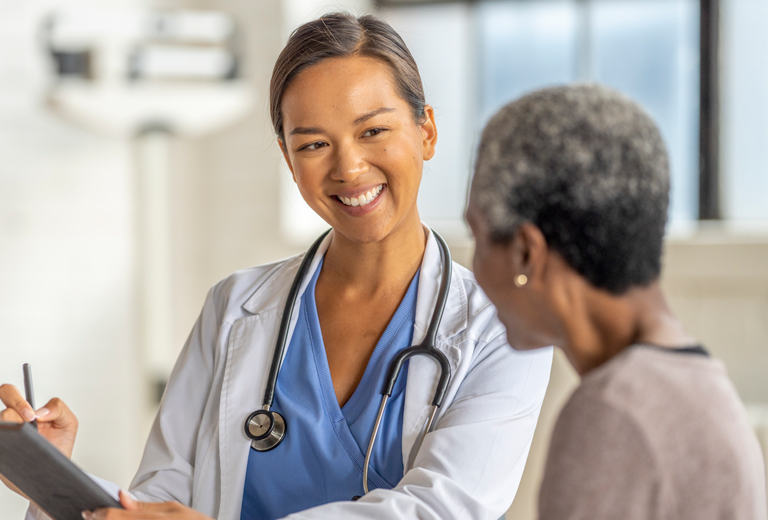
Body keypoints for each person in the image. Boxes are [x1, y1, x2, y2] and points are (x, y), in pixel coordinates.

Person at [0, 12, 553, 520]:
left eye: (373, 131)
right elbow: (162, 500)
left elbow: (443, 508)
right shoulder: (233, 307)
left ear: (425, 131)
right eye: (313, 144)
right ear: (290, 161)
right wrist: (54, 477)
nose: (349, 166)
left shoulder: (501, 326)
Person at [466, 84, 768, 519]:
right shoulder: (695, 387)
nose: (473, 270)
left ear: (527, 252)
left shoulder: (613, 413)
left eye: (477, 238)